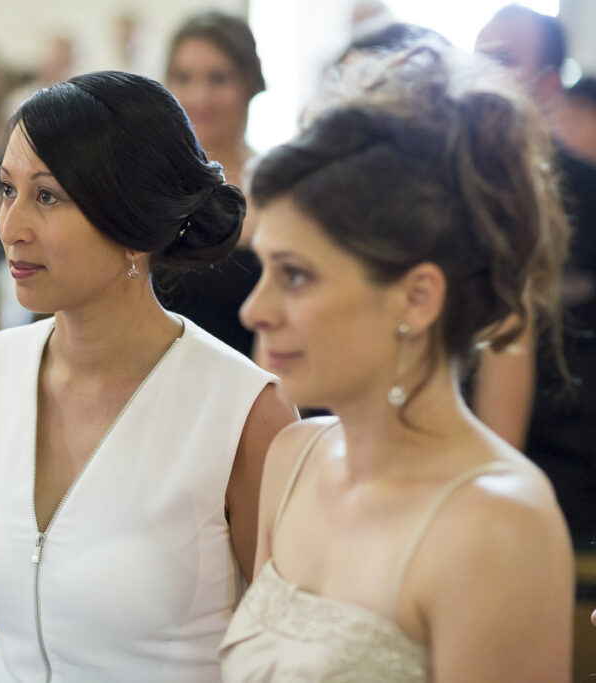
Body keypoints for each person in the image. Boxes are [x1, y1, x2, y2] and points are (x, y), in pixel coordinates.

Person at [0, 71, 295, 683]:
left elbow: (279, 640)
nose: (12, 228)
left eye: (49, 196)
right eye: (9, 191)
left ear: (133, 224)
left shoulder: (243, 413)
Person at [219, 43, 573, 680]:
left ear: (417, 296)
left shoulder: (499, 523)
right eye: (264, 268)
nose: (255, 310)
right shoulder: (292, 457)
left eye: (295, 276)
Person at [476, 4, 596, 549]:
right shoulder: (440, 191)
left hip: (567, 471)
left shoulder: (588, 195)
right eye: (475, 58)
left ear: (548, 84)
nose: (479, 75)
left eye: (501, 60)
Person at [159, 11, 266, 356]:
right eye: (184, 77)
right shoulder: (147, 182)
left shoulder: (278, 187)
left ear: (250, 83)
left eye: (218, 79)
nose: (199, 97)